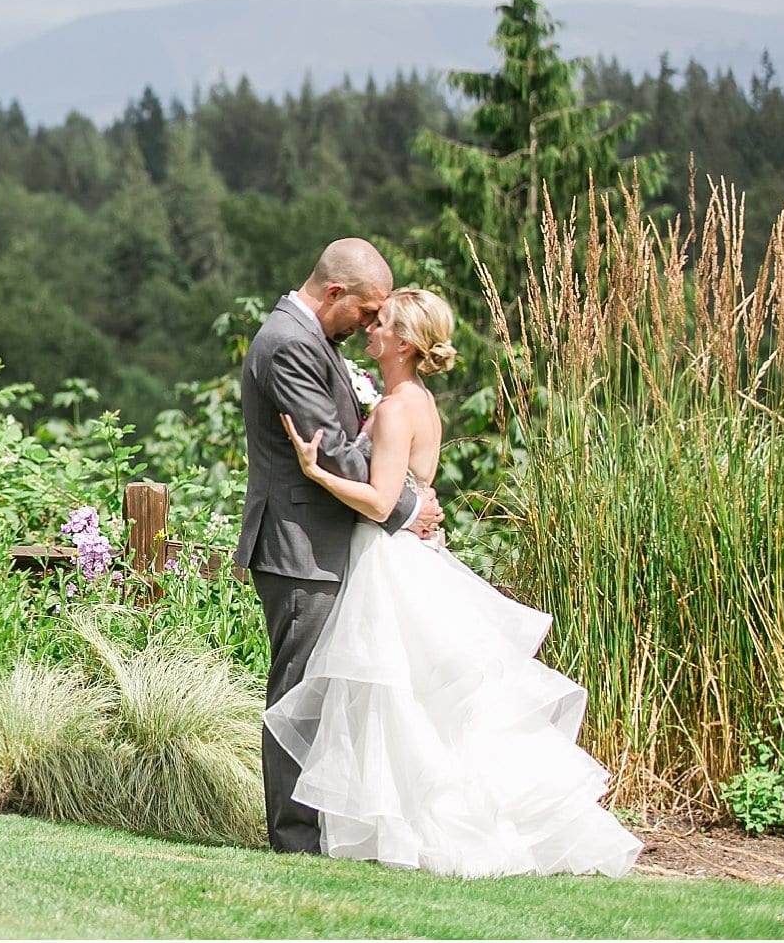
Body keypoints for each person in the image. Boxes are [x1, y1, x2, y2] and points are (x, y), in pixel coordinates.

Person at [266, 287, 643, 877]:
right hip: (403, 554)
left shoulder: (394, 409)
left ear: (405, 342)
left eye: (381, 323)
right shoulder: (415, 400)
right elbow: (407, 490)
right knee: (413, 698)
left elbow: (382, 500)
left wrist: (317, 471)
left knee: (398, 696)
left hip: (391, 560)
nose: (370, 329)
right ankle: (401, 825)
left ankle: (421, 826)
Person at [236, 238, 442, 855]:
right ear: (334, 293)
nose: (370, 323)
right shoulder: (289, 343)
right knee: (301, 692)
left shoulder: (311, 338)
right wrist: (406, 507)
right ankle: (295, 841)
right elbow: (327, 446)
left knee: (328, 690)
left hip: (325, 541)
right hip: (300, 545)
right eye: (366, 310)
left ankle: (323, 832)